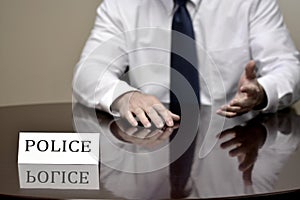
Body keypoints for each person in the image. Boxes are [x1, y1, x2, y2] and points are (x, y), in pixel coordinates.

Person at [73, 0, 300, 128]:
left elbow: (289, 68)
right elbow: (88, 73)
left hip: (234, 137)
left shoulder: (252, 2)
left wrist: (261, 91)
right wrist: (125, 96)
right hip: (154, 135)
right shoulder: (120, 6)